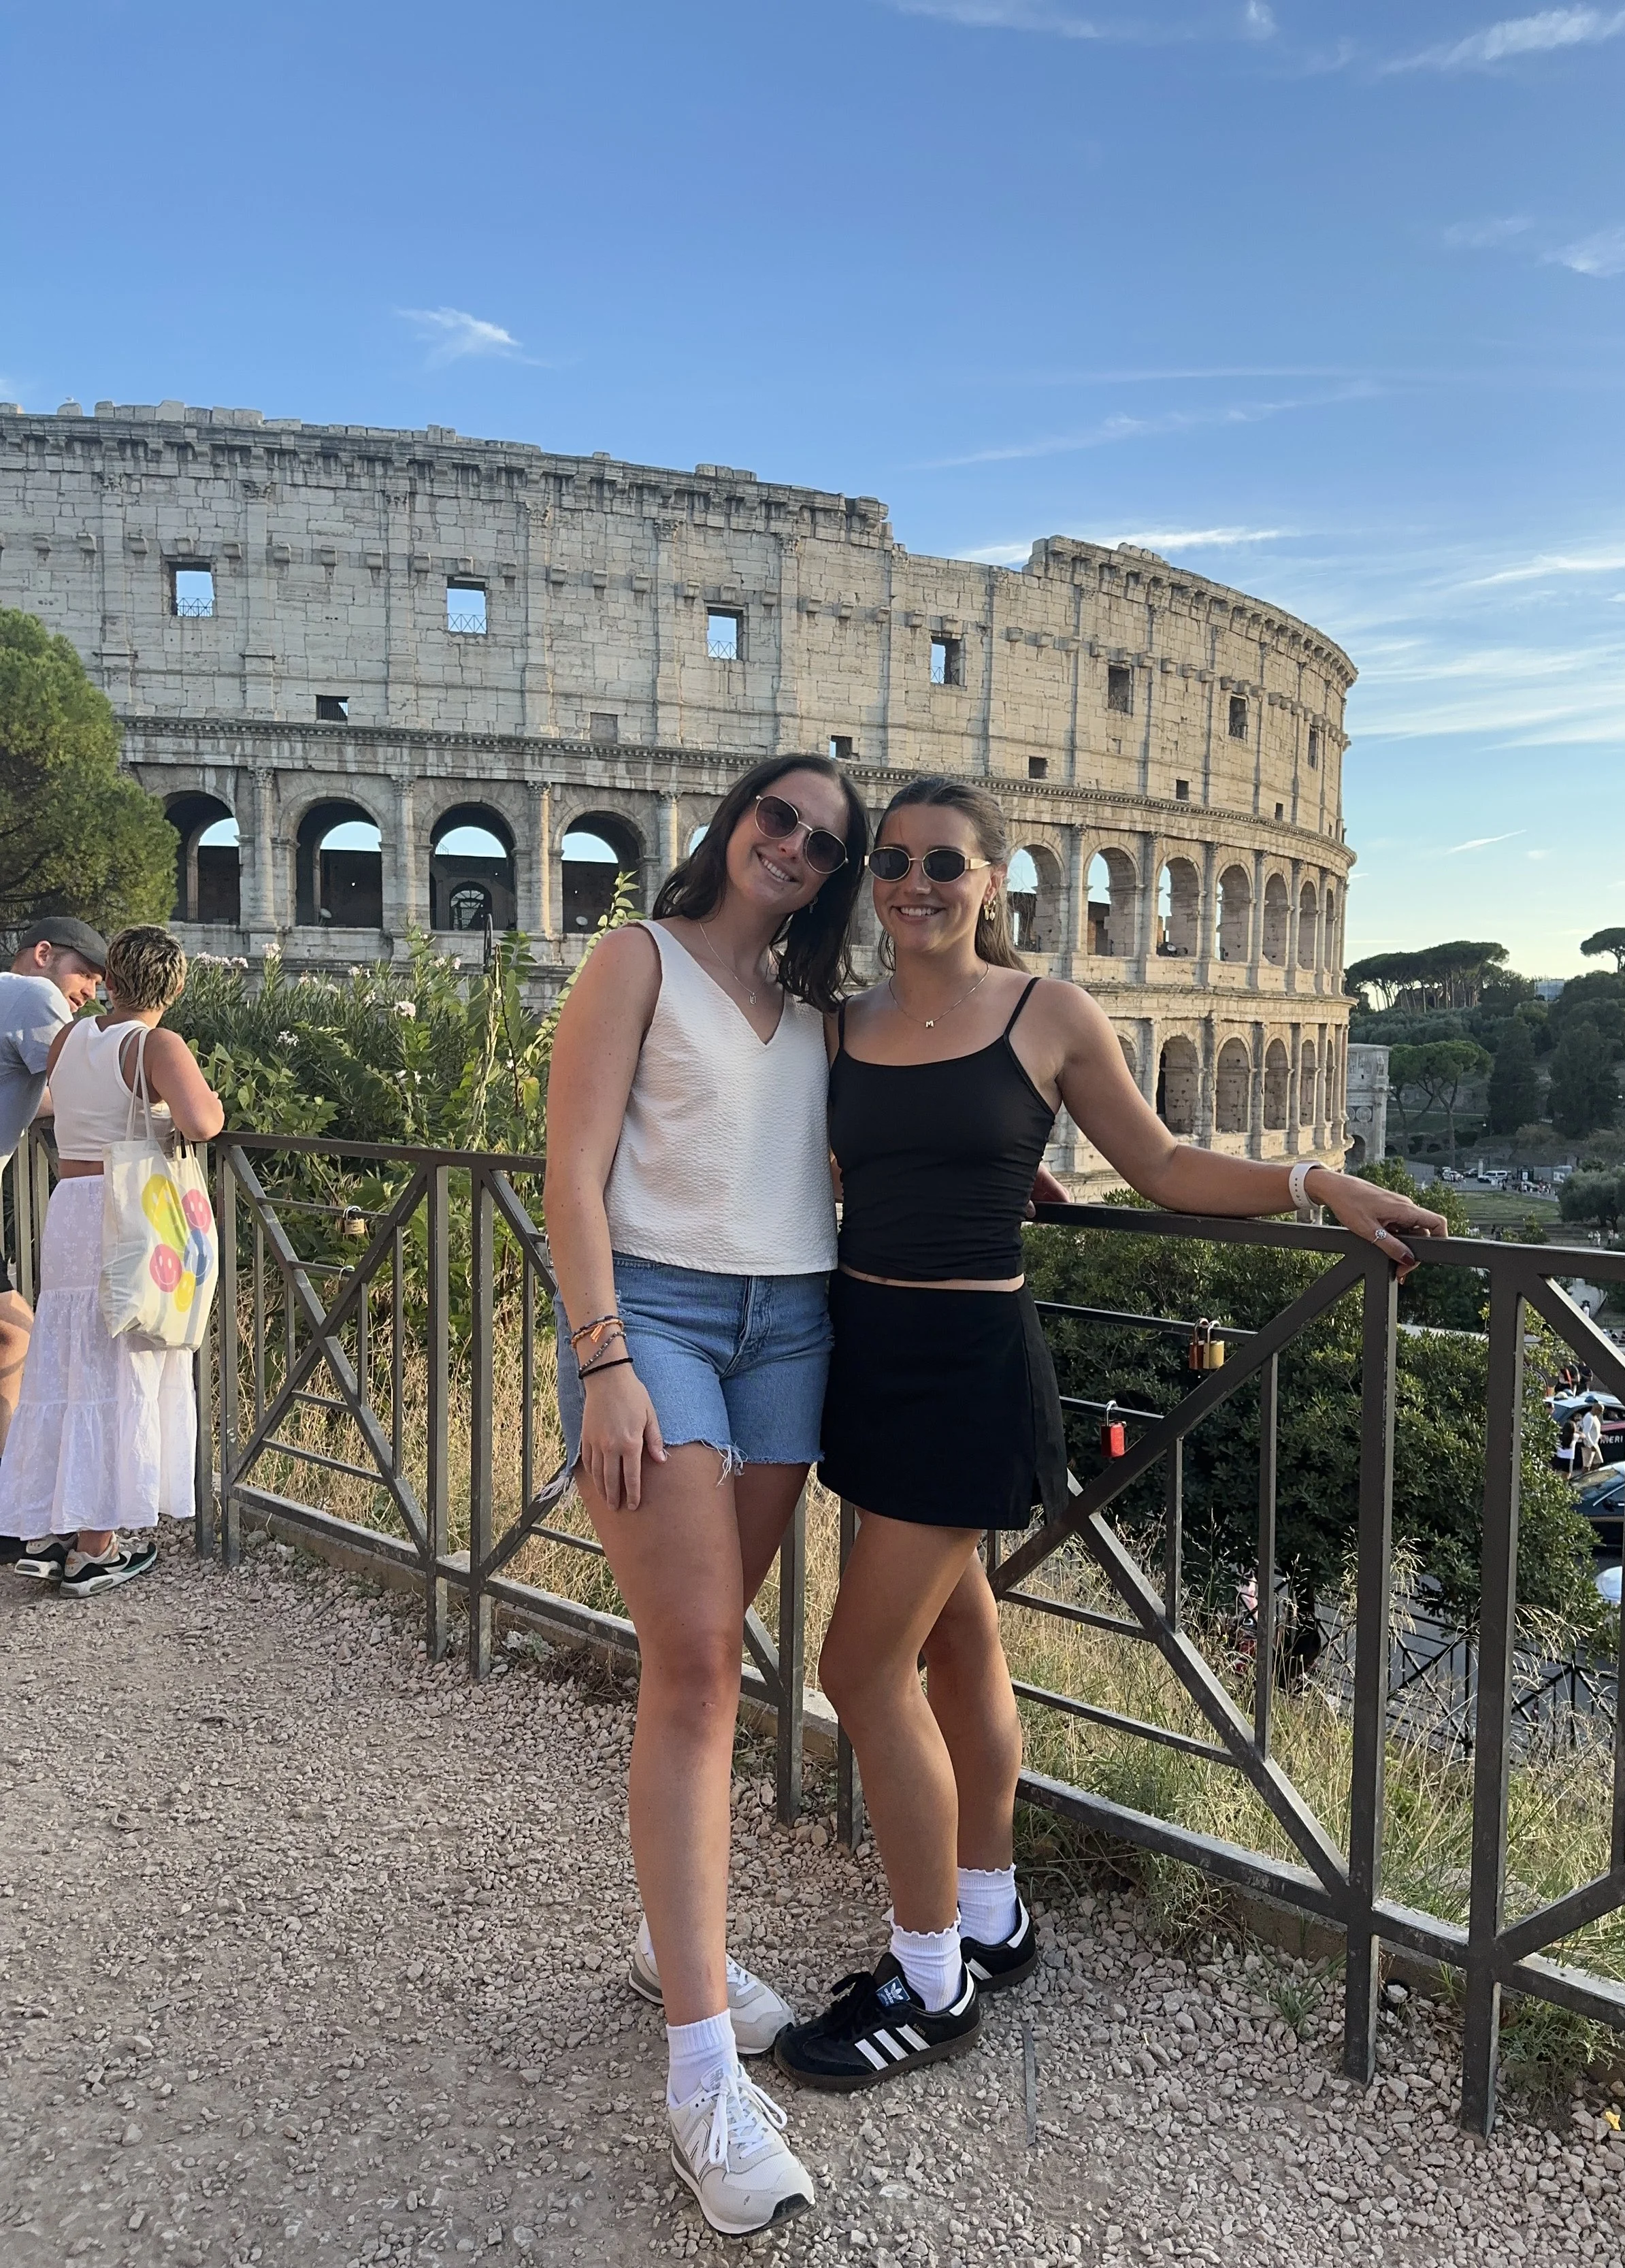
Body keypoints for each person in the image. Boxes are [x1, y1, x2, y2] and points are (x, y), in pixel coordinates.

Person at [771, 776, 1446, 2092]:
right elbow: (839, 1171)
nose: (915, 880)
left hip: (968, 1363)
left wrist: (1317, 1183)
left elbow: (1167, 1166)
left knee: (859, 1671)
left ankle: (929, 1981)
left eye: (946, 863)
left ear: (994, 884)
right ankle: (991, 1913)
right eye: (894, 858)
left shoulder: (1048, 1013)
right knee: (958, 1646)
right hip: (865, 1352)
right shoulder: (839, 1028)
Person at [542, 755, 869, 2239]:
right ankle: (698, 2080)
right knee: (690, 1670)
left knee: (707, 1666)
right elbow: (572, 1162)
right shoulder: (635, 956)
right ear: (734, 818)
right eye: (775, 816)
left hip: (792, 1325)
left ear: (835, 872)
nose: (790, 844)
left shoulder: (818, 1012)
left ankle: (667, 1942)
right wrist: (606, 1357)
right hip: (659, 1323)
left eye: (819, 840)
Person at [1, 927, 223, 1596]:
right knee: (117, 1362)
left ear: (116, 979)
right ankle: (95, 1550)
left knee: (64, 1360)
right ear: (174, 986)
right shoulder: (157, 1044)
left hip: (69, 1204)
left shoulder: (72, 1037)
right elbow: (202, 1121)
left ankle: (51, 1531)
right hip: (125, 1210)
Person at [0, 918, 108, 1479]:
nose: (90, 992)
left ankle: (8, 1492)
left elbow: (41, 1097)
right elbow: (80, 1090)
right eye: (85, 974)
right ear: (43, 954)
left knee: (11, 1332)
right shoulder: (37, 997)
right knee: (19, 1332)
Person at [1575, 1399, 1604, 1474]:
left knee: (1598, 1461)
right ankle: (1583, 1479)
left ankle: (1590, 1475)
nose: (1601, 1413)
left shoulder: (1594, 1417)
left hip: (1595, 1443)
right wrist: (1591, 1445)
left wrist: (1600, 1436)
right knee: (1587, 1465)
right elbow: (1586, 1432)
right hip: (1588, 1444)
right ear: (1594, 1409)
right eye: (1600, 1411)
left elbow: (1594, 1431)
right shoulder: (1589, 1418)